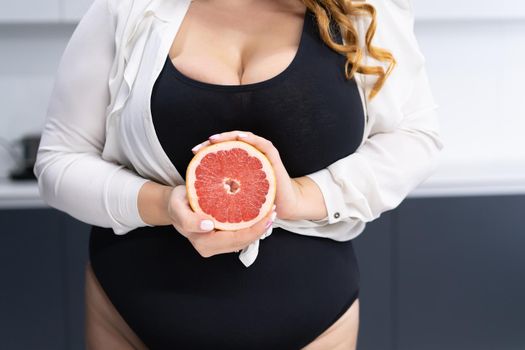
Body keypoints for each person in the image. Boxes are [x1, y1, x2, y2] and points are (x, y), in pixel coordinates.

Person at [34, 0, 444, 348]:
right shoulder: (126, 10)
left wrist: (304, 195)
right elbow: (58, 161)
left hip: (317, 324)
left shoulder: (362, 10)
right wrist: (164, 204)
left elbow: (416, 136)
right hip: (130, 318)